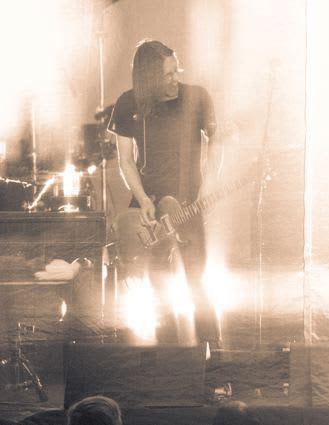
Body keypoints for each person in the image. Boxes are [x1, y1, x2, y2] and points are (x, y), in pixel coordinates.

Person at [108, 39, 217, 344]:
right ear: (148, 79)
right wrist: (142, 198)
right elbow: (126, 160)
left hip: (188, 202)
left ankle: (213, 355)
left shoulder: (197, 97)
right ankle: (167, 356)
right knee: (157, 283)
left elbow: (216, 145)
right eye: (167, 75)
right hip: (149, 204)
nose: (174, 80)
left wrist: (207, 188)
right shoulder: (128, 103)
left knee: (194, 279)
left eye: (175, 71)